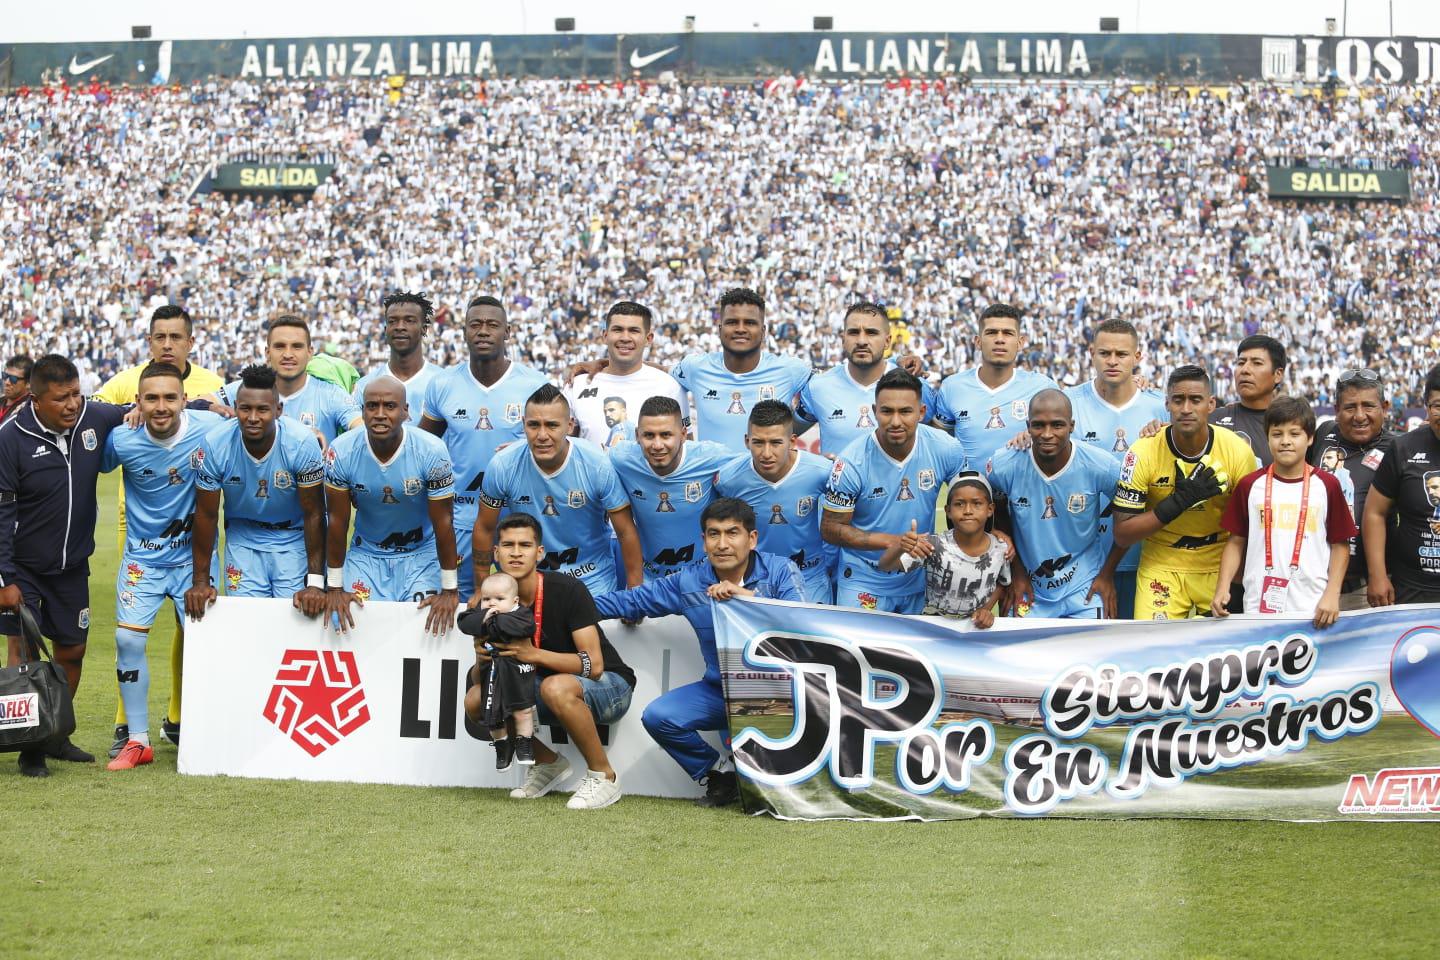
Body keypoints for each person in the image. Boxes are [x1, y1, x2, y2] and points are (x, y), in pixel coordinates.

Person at [593, 498, 807, 808]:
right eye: (713, 534)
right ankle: (721, 774)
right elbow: (630, 601)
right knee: (659, 717)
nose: (722, 544)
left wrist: (745, 597)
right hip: (721, 691)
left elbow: (801, 624)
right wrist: (566, 602)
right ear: (703, 540)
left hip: (782, 694)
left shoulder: (780, 570)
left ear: (752, 539)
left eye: (732, 533)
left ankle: (760, 773)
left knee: (775, 799)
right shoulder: (690, 580)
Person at [94, 304, 225, 755]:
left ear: (185, 399)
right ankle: (136, 739)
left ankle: (203, 732)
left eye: (170, 398)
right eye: (151, 399)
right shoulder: (122, 438)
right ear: (138, 401)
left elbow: (258, 423)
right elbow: (89, 450)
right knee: (127, 639)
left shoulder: (210, 427)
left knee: (204, 642)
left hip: (195, 560)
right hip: (143, 559)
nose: (161, 406)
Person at [0, 355, 130, 775]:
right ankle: (30, 747)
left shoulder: (93, 416)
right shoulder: (10, 438)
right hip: (24, 569)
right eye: (61, 398)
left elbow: (143, 406)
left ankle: (54, 736)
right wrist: (5, 579)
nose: (73, 404)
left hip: (73, 567)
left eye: (76, 393)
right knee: (26, 656)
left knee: (72, 651)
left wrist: (207, 406)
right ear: (35, 400)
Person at [464, 513, 635, 810]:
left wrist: (534, 655)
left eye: (525, 545)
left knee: (554, 687)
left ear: (539, 552)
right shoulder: (492, 601)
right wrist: (483, 658)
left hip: (609, 687)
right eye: (508, 545)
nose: (516, 553)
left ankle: (605, 776)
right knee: (477, 699)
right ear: (496, 553)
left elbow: (594, 666)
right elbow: (481, 680)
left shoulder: (567, 589)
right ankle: (546, 763)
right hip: (544, 688)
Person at [420, 295, 550, 598]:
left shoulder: (535, 384)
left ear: (507, 332)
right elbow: (423, 447)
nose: (483, 331)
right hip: (462, 519)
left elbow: (556, 443)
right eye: (475, 324)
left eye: (492, 325)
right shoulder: (443, 384)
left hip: (520, 518)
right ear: (464, 331)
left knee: (526, 599)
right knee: (462, 600)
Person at [1113, 365, 1259, 619]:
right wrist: (1179, 502)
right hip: (1161, 565)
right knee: (1151, 643)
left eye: (1196, 400)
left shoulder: (1238, 451)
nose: (1186, 409)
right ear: (1167, 404)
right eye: (1178, 400)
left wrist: (1236, 582)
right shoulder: (1142, 451)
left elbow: (1248, 529)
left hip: (1219, 565)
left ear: (1211, 404)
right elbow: (1123, 534)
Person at [184, 365, 327, 620]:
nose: (252, 417)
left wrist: (316, 583)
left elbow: (314, 513)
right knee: (248, 624)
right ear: (235, 407)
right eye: (245, 409)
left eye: (262, 409)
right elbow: (205, 515)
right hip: (243, 539)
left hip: (292, 539)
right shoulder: (215, 445)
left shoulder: (302, 444)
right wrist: (201, 581)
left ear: (278, 410)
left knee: (292, 625)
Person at [822, 368, 970, 613]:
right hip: (864, 580)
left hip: (918, 577)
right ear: (874, 411)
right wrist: (893, 541)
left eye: (905, 411)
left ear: (921, 412)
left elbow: (969, 501)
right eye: (887, 411)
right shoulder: (851, 462)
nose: (896, 421)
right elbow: (830, 529)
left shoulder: (946, 448)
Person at [321, 377, 460, 636]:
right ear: (363, 411)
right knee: (348, 627)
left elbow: (443, 522)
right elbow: (337, 521)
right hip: (367, 553)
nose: (380, 414)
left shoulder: (432, 450)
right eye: (372, 406)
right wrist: (335, 587)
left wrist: (450, 589)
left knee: (423, 630)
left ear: (405, 411)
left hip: (420, 554)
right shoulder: (342, 450)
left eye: (390, 406)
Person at [476, 385, 643, 597]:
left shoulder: (597, 465)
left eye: (552, 425)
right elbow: (484, 528)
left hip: (591, 581)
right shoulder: (503, 465)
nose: (542, 435)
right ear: (523, 424)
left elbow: (626, 532)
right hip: (530, 582)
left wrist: (636, 593)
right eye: (533, 425)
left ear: (570, 425)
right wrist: (480, 588)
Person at [1215, 397, 1355, 627]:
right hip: (1258, 607)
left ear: (1310, 438)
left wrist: (1332, 593)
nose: (1285, 441)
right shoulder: (1250, 485)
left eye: (1294, 434)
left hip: (1313, 608)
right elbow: (1235, 542)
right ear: (1267, 438)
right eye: (1277, 434)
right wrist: (1223, 587)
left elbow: (1340, 545)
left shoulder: (1327, 485)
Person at [988, 390, 1125, 618]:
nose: (1047, 434)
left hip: (1086, 586)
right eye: (1038, 425)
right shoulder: (1004, 465)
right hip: (1029, 588)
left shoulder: (1101, 465)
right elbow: (997, 513)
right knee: (1016, 641)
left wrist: (1106, 574)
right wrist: (1016, 572)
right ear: (1027, 426)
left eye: (1057, 425)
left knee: (1094, 642)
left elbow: (1129, 518)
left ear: (1071, 426)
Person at [1065, 319, 1169, 617]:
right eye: (1104, 353)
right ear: (1091, 353)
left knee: (1140, 640)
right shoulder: (1068, 403)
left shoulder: (1160, 407)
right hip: (1082, 558)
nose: (1112, 361)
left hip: (1145, 556)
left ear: (1137, 357)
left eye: (1121, 354)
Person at [716, 401, 836, 602]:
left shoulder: (821, 471)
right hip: (757, 579)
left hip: (810, 577)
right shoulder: (729, 479)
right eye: (758, 442)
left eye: (775, 443)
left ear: (792, 441)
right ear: (747, 441)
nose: (766, 453)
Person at [607, 396, 737, 580]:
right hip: (651, 580)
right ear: (637, 435)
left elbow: (752, 472)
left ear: (683, 434)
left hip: (704, 579)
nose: (657, 445)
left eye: (666, 435)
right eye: (649, 435)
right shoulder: (620, 458)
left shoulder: (713, 457)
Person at [671, 287, 812, 451]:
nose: (740, 329)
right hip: (712, 469)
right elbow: (657, 373)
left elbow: (824, 391)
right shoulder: (695, 367)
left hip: (765, 469)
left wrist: (792, 428)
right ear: (720, 329)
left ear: (763, 331)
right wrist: (686, 430)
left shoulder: (790, 370)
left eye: (750, 323)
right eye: (732, 322)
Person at [793, 301, 936, 456]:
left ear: (887, 341)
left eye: (871, 332)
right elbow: (785, 436)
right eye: (854, 332)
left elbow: (939, 443)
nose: (861, 341)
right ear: (843, 339)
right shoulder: (818, 387)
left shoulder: (916, 385)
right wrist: (816, 466)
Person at [932, 303, 1060, 468]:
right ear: (978, 342)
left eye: (1008, 333)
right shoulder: (952, 387)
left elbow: (1063, 436)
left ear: (1020, 343)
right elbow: (938, 445)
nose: (1000, 339)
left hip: (1024, 484)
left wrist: (1037, 435)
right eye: (991, 332)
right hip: (969, 484)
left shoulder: (1043, 387)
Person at [1308, 368, 1396, 610]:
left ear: (1384, 408)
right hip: (1311, 584)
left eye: (1368, 406)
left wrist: (1379, 576)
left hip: (1363, 590)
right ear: (1336, 409)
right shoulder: (1323, 434)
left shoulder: (1398, 449)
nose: (1359, 416)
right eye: (1350, 407)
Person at [878, 474, 1011, 624]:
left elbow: (1002, 582)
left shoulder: (1001, 549)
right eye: (959, 504)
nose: (968, 510)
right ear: (948, 511)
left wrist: (986, 609)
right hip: (933, 628)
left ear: (990, 509)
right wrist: (900, 546)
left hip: (974, 630)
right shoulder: (934, 545)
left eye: (977, 503)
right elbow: (885, 565)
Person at [1363, 365, 1440, 606]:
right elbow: (1374, 513)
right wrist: (1377, 575)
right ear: (1426, 407)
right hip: (1411, 589)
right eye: (1438, 405)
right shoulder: (1403, 448)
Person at [218, 317, 360, 445]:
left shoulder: (331, 394)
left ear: (310, 352)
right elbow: (204, 404)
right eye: (280, 346)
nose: (287, 354)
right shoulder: (248, 389)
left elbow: (362, 429)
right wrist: (222, 411)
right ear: (267, 352)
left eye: (297, 346)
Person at [566, 301, 687, 448]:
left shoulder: (669, 387)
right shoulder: (577, 385)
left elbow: (686, 447)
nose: (625, 337)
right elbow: (566, 448)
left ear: (648, 338)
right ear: (605, 335)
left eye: (634, 331)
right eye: (617, 330)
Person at [457, 572, 539, 770]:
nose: (492, 603)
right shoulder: (483, 614)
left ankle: (524, 743)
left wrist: (489, 623)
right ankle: (501, 745)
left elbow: (524, 628)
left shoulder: (522, 614)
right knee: (493, 715)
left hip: (518, 675)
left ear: (515, 601)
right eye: (486, 599)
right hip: (492, 675)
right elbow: (463, 621)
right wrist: (483, 617)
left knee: (523, 712)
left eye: (500, 599)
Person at [351, 292, 442, 426]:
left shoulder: (443, 382)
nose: (400, 327)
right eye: (393, 321)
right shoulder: (365, 386)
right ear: (386, 329)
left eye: (409, 320)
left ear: (424, 329)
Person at [1210, 334, 1288, 467]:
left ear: (1278, 374)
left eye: (1257, 363)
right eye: (1241, 363)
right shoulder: (1211, 420)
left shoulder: (1291, 427)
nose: (1245, 370)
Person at [0, 355, 32, 424]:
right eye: (5, 376)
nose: (7, 382)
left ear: (28, 383)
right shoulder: (1, 401)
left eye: (13, 379)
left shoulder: (29, 409)